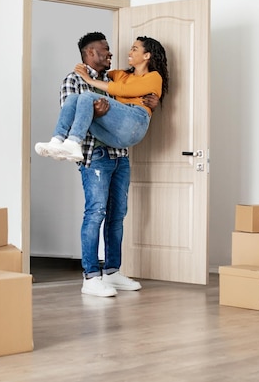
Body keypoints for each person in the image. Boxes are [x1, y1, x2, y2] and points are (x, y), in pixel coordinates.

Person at [42, 32, 161, 297]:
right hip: (94, 157)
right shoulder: (73, 80)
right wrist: (95, 112)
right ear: (89, 54)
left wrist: (152, 100)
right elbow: (71, 115)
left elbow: (129, 112)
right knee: (96, 213)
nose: (110, 54)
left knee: (118, 215)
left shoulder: (115, 80)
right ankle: (90, 277)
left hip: (120, 155)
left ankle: (112, 272)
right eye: (104, 50)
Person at [35, 35, 169, 162]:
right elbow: (97, 71)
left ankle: (74, 142)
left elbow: (123, 90)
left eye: (134, 49)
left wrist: (88, 80)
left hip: (134, 124)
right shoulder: (121, 75)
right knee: (74, 99)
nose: (129, 53)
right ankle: (57, 141)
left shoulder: (154, 77)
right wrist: (83, 69)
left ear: (146, 55)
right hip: (115, 136)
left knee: (87, 96)